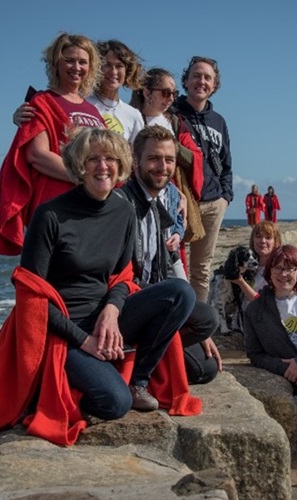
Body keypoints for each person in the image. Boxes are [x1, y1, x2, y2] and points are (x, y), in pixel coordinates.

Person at [0, 127, 201, 446]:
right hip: (61, 331)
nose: (102, 166)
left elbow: (123, 275)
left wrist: (111, 310)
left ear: (121, 164)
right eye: (93, 159)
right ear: (79, 164)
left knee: (180, 293)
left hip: (104, 316)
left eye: (109, 158)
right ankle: (60, 383)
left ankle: (139, 380)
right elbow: (32, 298)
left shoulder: (123, 209)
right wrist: (85, 341)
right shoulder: (50, 215)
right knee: (115, 405)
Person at [0, 33, 106, 255]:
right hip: (57, 207)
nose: (76, 67)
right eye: (69, 59)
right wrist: (87, 178)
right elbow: (37, 156)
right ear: (56, 62)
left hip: (91, 208)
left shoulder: (93, 110)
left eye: (82, 62)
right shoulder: (42, 102)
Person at [117, 125, 222, 385]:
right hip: (126, 303)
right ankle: (138, 374)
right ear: (136, 160)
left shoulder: (169, 197)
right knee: (191, 304)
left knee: (205, 364)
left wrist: (195, 321)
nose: (162, 166)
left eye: (169, 160)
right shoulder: (121, 202)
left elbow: (173, 257)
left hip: (160, 304)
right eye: (153, 158)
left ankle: (148, 353)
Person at [243, 245, 297, 489]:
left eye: (290, 268)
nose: (284, 274)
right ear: (269, 272)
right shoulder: (255, 310)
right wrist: (287, 370)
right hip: (295, 399)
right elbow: (255, 354)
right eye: (278, 268)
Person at [173, 56, 233, 303]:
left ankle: (198, 327)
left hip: (212, 202)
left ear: (214, 85)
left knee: (202, 269)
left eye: (207, 77)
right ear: (186, 81)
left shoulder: (218, 121)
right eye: (196, 75)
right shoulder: (173, 114)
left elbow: (227, 162)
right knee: (174, 265)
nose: (202, 81)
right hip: (182, 201)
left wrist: (225, 198)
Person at [13, 39, 145, 145]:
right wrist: (21, 118)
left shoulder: (133, 115)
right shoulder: (78, 101)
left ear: (128, 71)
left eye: (119, 66)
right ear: (95, 67)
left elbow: (138, 157)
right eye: (107, 65)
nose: (113, 72)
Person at [129, 67, 205, 243]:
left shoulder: (175, 122)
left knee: (171, 249)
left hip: (169, 195)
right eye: (165, 93)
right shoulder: (132, 117)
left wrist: (179, 193)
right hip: (138, 195)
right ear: (147, 92)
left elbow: (195, 157)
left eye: (174, 93)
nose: (171, 98)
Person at [231, 221, 283, 304]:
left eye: (268, 237)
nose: (262, 241)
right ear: (253, 240)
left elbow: (262, 303)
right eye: (258, 236)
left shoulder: (278, 270)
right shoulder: (245, 265)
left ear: (275, 242)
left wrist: (241, 282)